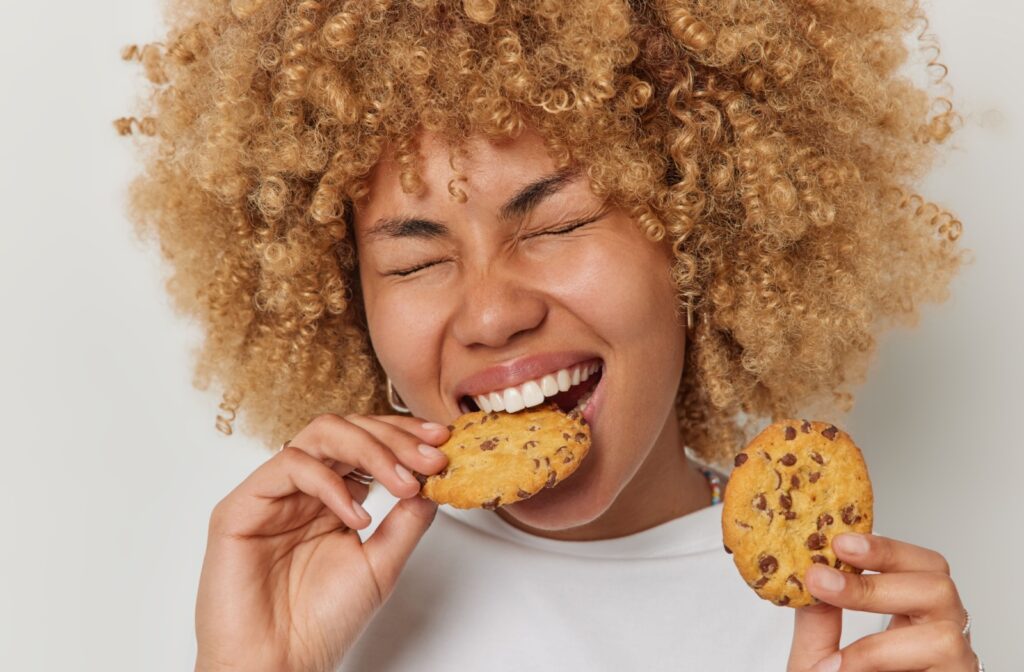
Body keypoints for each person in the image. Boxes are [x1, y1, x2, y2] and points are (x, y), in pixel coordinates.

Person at [116, 1, 980, 670]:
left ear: (699, 228)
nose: (492, 314)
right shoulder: (309, 599)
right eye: (414, 264)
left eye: (557, 224)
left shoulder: (851, 623)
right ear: (346, 301)